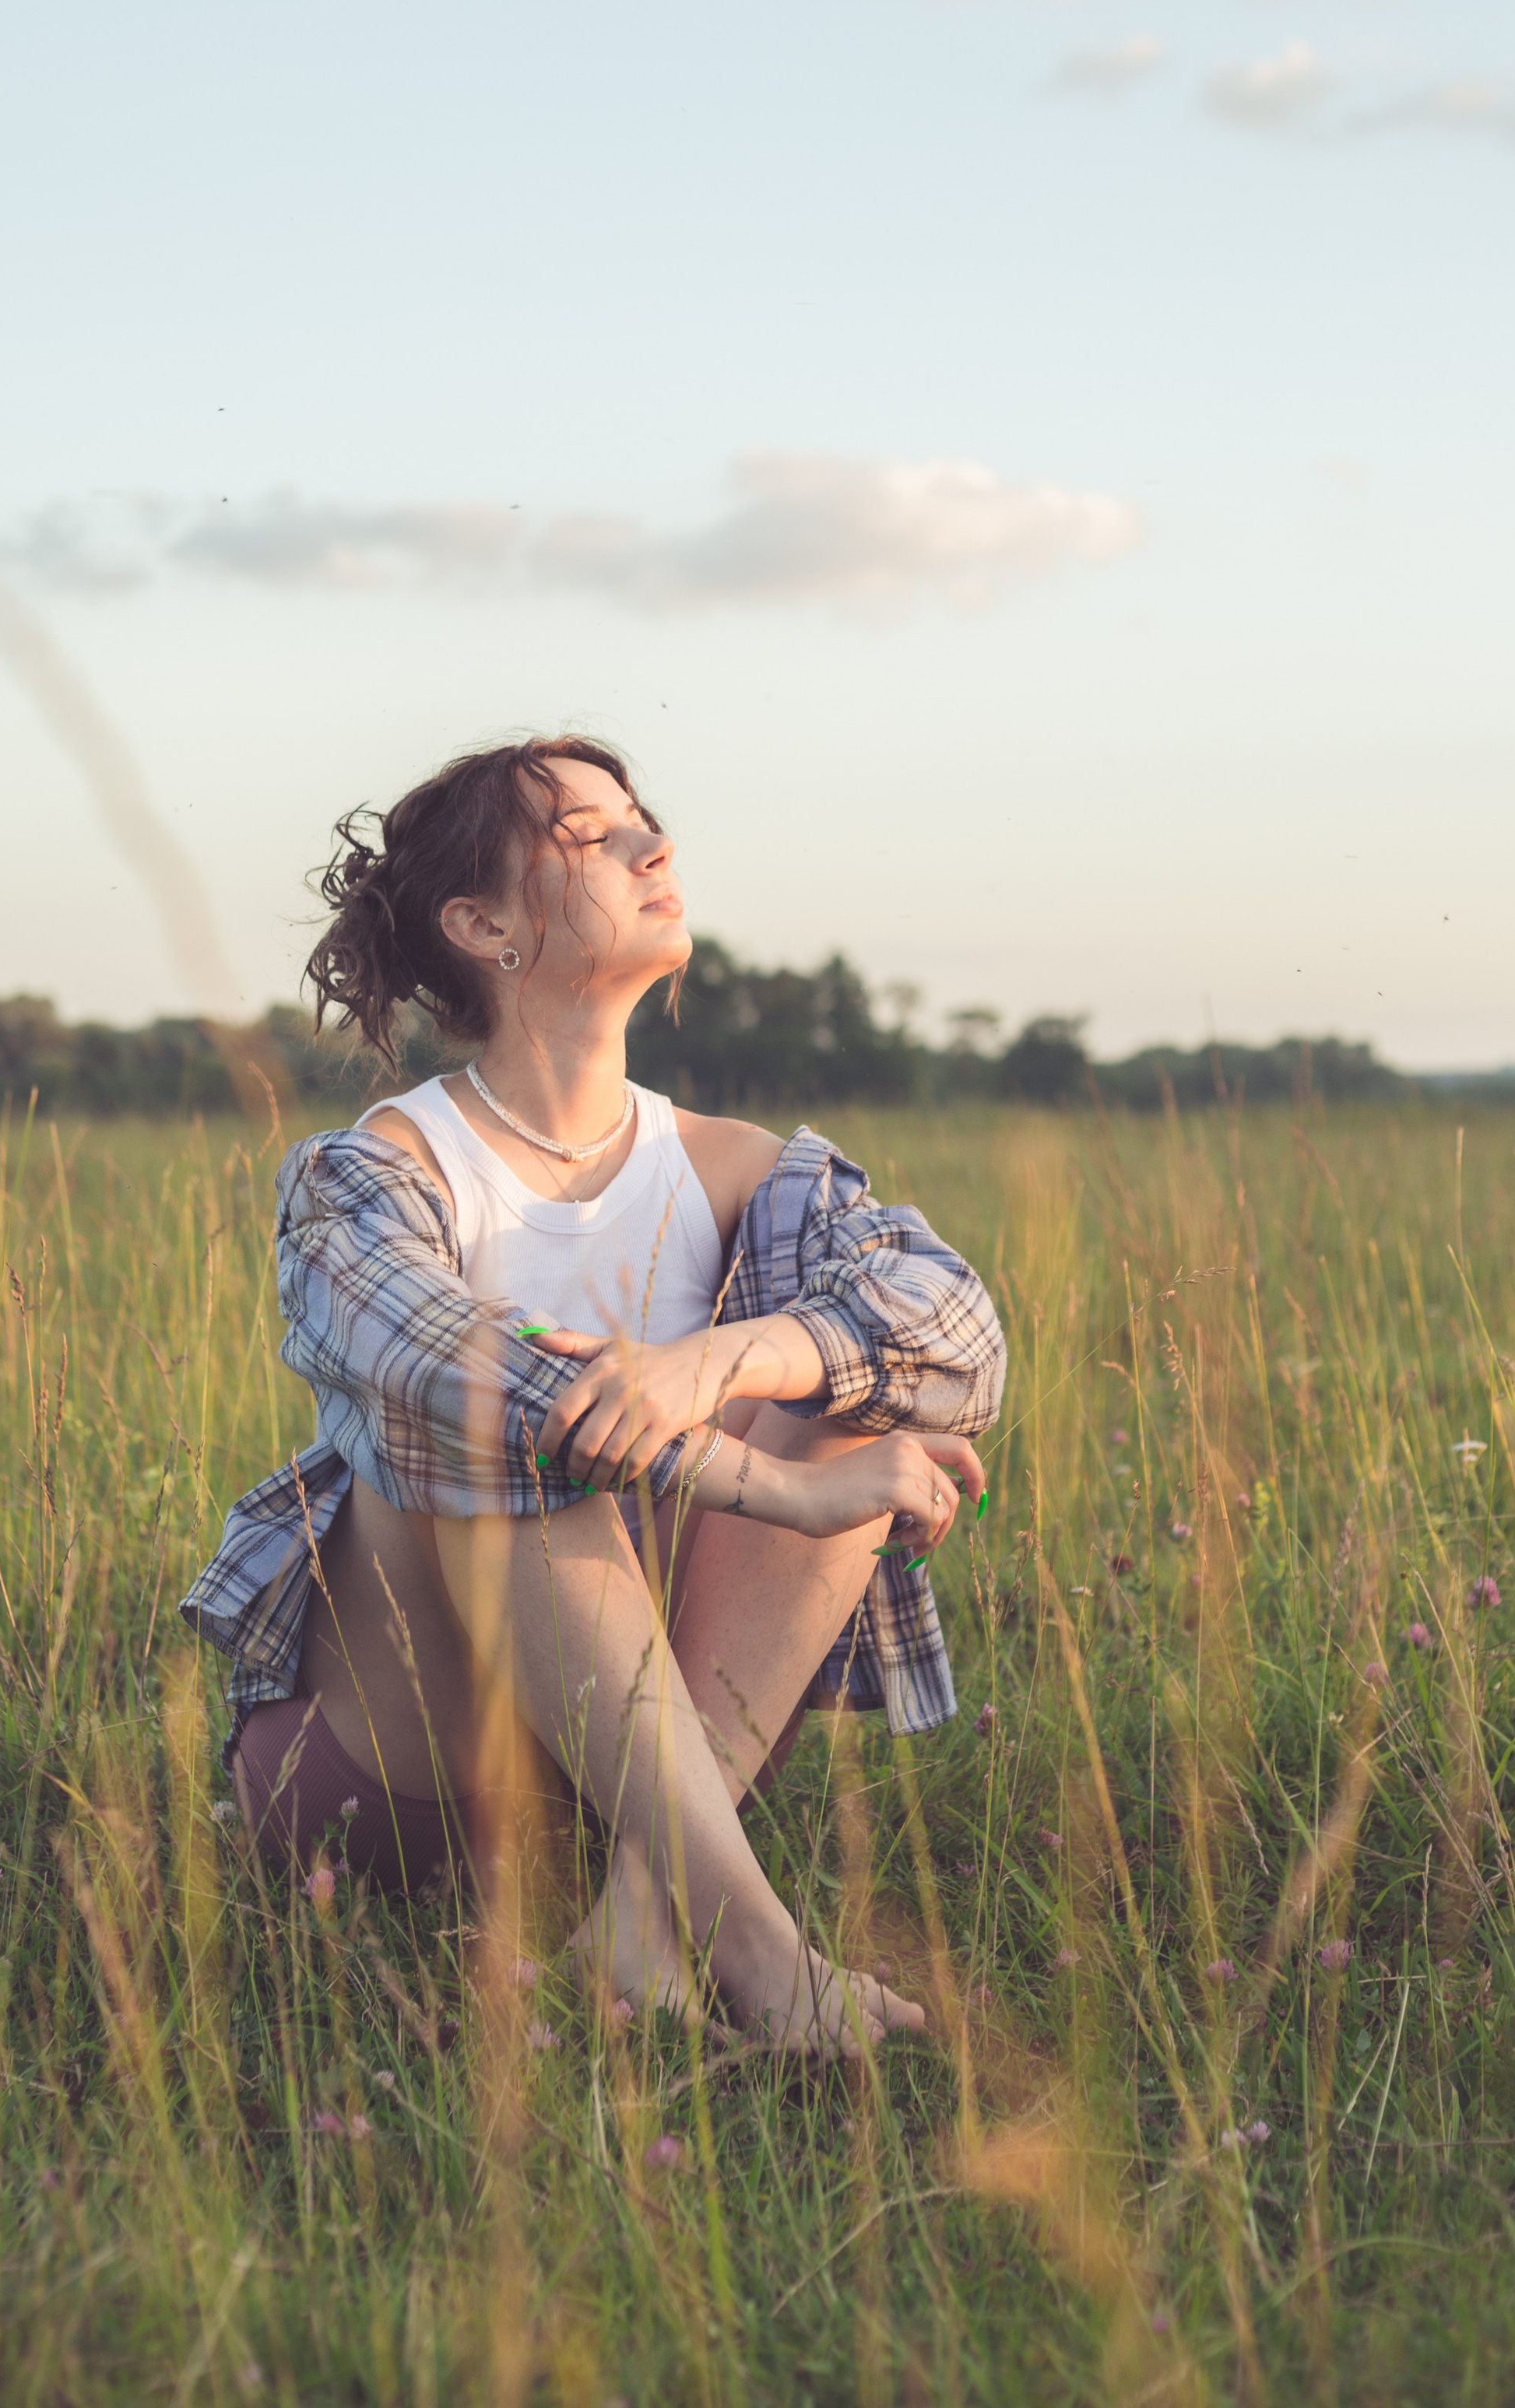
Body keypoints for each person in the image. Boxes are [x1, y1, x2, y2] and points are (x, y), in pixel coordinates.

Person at [182, 735, 1005, 2050]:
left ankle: (641, 1909)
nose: (652, 848)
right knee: (492, 1433)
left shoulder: (744, 1168)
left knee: (861, 1383)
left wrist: (715, 1364)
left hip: (645, 1768)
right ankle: (756, 1943)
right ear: (484, 924)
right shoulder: (373, 1171)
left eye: (645, 822)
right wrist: (781, 1485)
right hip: (402, 1776)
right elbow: (468, 1383)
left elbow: (957, 1330)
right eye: (589, 837)